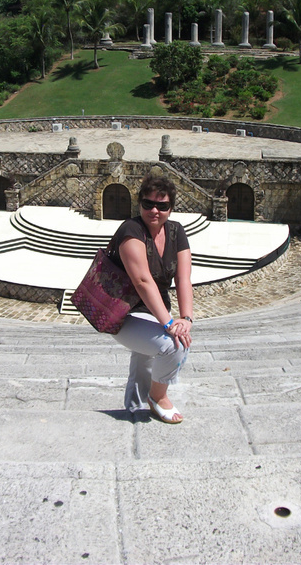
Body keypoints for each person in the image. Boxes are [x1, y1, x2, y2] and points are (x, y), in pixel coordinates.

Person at [109, 174, 193, 424]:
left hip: (154, 310)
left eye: (162, 205)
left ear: (171, 208)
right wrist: (169, 324)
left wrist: (186, 317)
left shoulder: (176, 231)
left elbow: (184, 279)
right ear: (140, 204)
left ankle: (133, 409)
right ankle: (158, 398)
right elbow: (142, 281)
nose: (154, 210)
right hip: (122, 314)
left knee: (144, 357)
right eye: (148, 204)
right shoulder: (131, 230)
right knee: (174, 346)